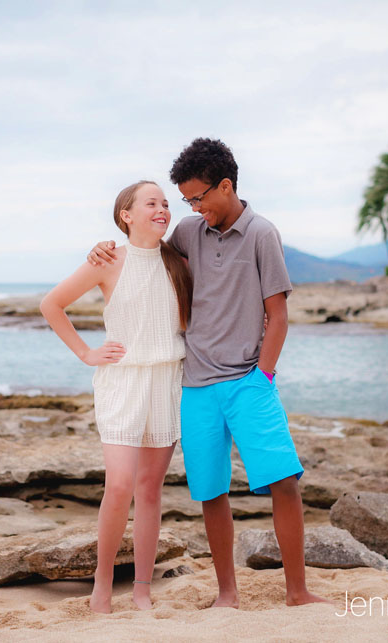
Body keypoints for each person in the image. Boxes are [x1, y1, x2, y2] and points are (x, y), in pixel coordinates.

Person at [88, 138, 328, 608]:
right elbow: (143, 253)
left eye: (200, 197)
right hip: (195, 386)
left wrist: (263, 375)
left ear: (226, 185)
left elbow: (277, 316)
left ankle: (297, 592)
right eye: (186, 201)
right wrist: (103, 247)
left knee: (283, 481)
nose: (194, 208)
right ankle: (226, 594)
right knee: (212, 491)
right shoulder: (189, 234)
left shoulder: (262, 234)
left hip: (249, 383)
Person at [40, 180, 192, 614]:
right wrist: (87, 352)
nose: (162, 209)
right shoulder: (107, 260)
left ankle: (142, 590)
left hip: (166, 381)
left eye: (166, 203)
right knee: (120, 484)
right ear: (126, 214)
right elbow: (52, 304)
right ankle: (102, 586)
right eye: (152, 203)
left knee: (149, 489)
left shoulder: (179, 261)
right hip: (121, 383)